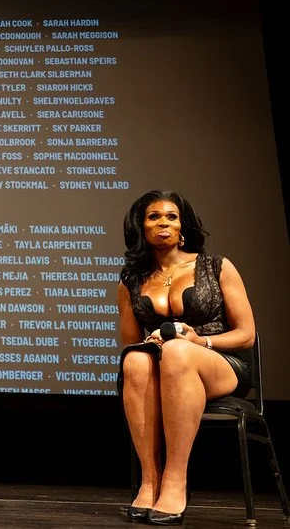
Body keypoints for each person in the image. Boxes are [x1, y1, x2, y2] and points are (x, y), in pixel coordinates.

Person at [117, 190, 256, 525]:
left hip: (221, 365)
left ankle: (176, 481)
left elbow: (247, 335)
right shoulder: (131, 280)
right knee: (134, 360)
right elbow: (130, 344)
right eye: (153, 217)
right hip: (164, 365)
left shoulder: (216, 267)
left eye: (171, 216)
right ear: (141, 226)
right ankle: (150, 481)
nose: (163, 223)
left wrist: (199, 340)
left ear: (183, 227)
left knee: (178, 351)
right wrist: (150, 342)